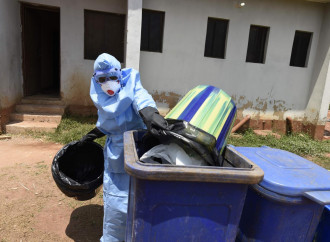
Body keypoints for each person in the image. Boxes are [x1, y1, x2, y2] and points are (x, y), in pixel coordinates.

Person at [80, 53, 170, 241]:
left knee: (140, 198)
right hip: (115, 155)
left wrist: (150, 113)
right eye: (102, 79)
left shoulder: (131, 84)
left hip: (137, 150)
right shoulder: (101, 96)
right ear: (96, 80)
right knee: (114, 202)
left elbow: (141, 98)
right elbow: (108, 123)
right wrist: (93, 134)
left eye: (112, 77)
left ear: (119, 75)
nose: (108, 83)